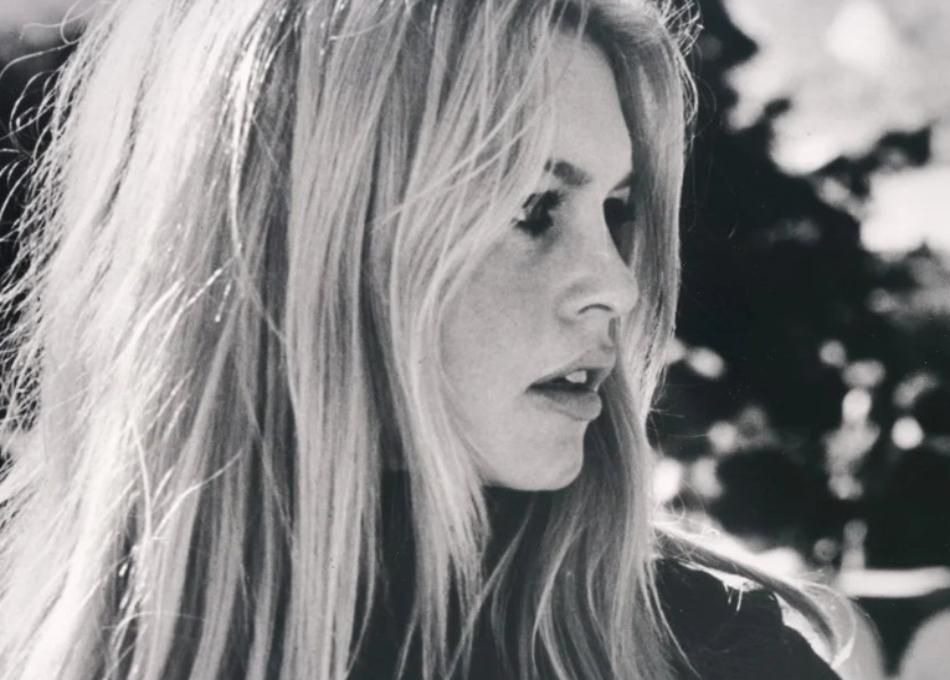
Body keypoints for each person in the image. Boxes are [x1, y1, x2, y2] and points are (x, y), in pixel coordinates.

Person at [0, 1, 846, 678]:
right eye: (533, 209)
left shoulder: (710, 656)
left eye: (617, 211)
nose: (618, 286)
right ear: (305, 250)